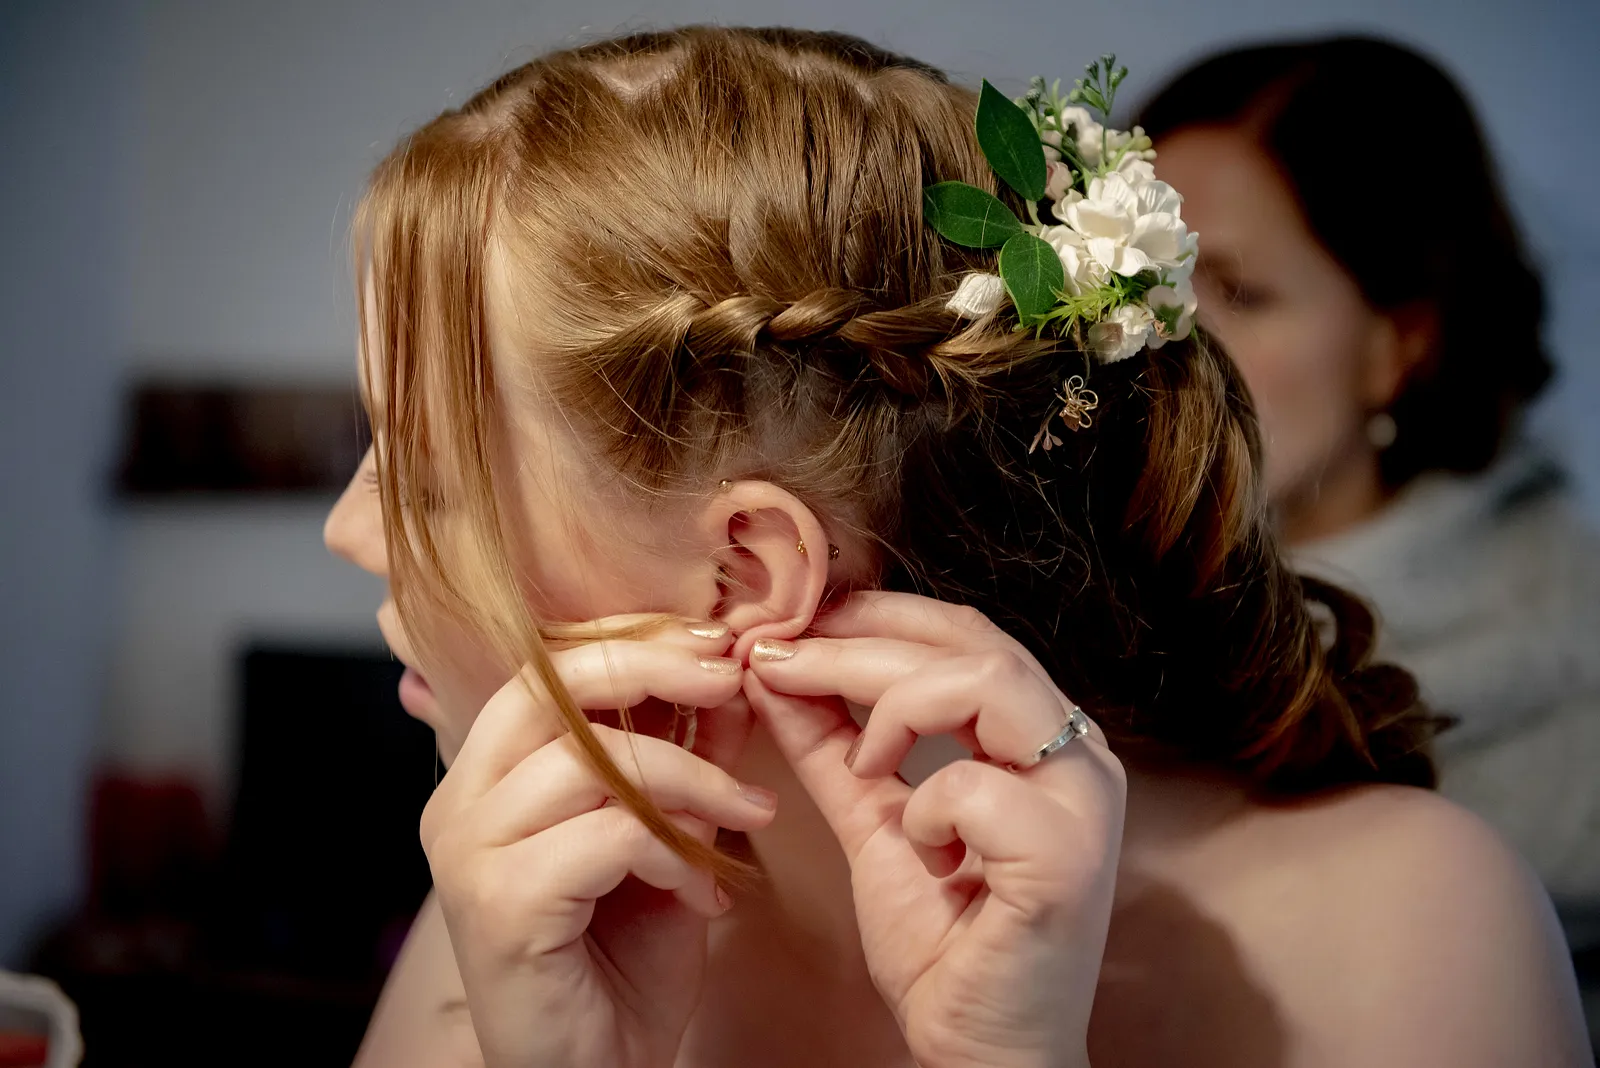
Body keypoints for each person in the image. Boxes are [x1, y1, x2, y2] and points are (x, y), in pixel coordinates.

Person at [322, 26, 1590, 1066]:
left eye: (428, 483)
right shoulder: (538, 904)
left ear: (747, 574)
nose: (346, 531)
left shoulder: (1412, 929)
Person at [1138, 37, 1600, 935]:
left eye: (1238, 291)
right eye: (1133, 275)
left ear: (1401, 346)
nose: (1158, 338)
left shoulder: (1568, 692)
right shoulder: (1023, 582)